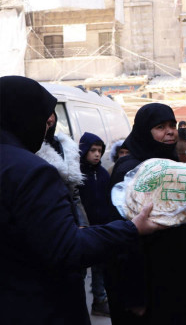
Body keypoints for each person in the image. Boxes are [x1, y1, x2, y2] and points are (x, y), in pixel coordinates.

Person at [0, 75, 162, 325]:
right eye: (43, 117)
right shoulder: (31, 171)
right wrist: (131, 228)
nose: (47, 126)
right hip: (36, 307)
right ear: (24, 115)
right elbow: (66, 248)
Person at [104, 103, 186, 325]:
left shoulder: (171, 164)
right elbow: (124, 239)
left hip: (179, 275)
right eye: (160, 127)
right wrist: (134, 295)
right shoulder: (129, 171)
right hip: (150, 280)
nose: (170, 131)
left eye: (172, 125)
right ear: (144, 131)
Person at [78, 132, 114, 317]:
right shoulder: (77, 174)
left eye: (100, 150)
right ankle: (77, 306)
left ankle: (99, 301)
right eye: (93, 150)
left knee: (99, 268)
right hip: (83, 230)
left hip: (101, 228)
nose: (97, 154)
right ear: (84, 150)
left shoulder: (102, 173)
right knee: (81, 270)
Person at [36, 111, 90, 228]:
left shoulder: (65, 146)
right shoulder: (30, 148)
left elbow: (74, 194)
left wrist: (82, 224)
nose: (50, 119)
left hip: (70, 221)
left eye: (52, 113)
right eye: (46, 113)